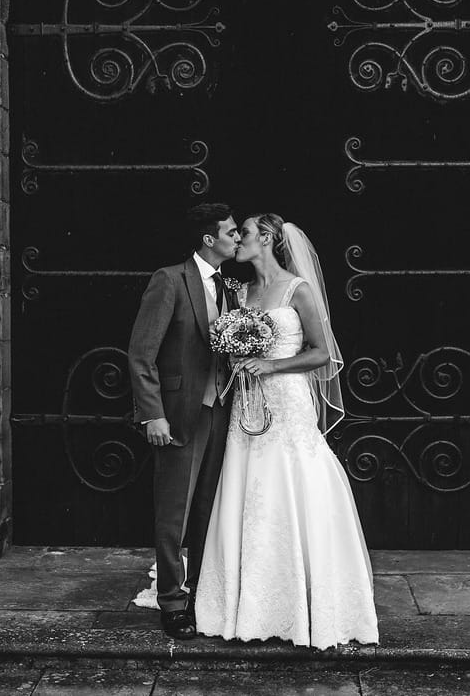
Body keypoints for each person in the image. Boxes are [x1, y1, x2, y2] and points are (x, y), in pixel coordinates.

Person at [194, 213, 379, 649]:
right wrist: (237, 358)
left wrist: (272, 364)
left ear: (269, 239)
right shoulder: (241, 292)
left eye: (246, 232)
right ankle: (247, 604)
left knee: (292, 484)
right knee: (249, 487)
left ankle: (307, 602)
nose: (238, 238)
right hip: (248, 400)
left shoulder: (299, 289)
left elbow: (321, 353)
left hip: (288, 401)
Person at [128, 202, 241, 639]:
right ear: (209, 239)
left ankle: (201, 596)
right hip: (177, 417)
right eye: (231, 232)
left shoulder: (229, 287)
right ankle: (173, 603)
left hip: (220, 413)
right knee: (173, 514)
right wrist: (152, 415)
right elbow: (141, 354)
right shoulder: (169, 280)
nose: (238, 238)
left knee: (207, 512)